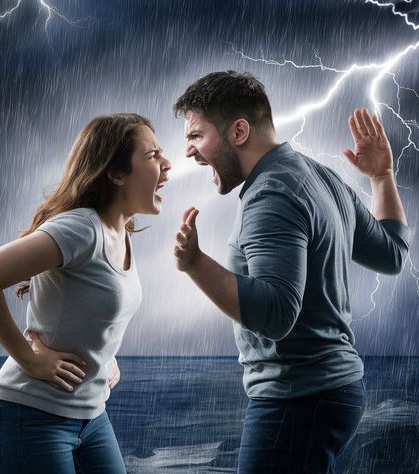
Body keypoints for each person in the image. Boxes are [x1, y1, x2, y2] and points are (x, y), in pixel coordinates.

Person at [172, 71, 409, 473]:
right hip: (336, 392)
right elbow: (393, 253)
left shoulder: (272, 194)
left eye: (196, 136)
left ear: (239, 131)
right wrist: (382, 178)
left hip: (297, 401)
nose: (190, 152)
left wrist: (195, 263)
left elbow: (278, 314)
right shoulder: (320, 177)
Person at [0, 113, 171, 474]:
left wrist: (104, 357)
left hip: (92, 416)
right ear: (116, 173)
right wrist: (30, 359)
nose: (167, 164)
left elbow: (93, 311)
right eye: (152, 156)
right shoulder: (79, 229)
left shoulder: (121, 232)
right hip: (31, 414)